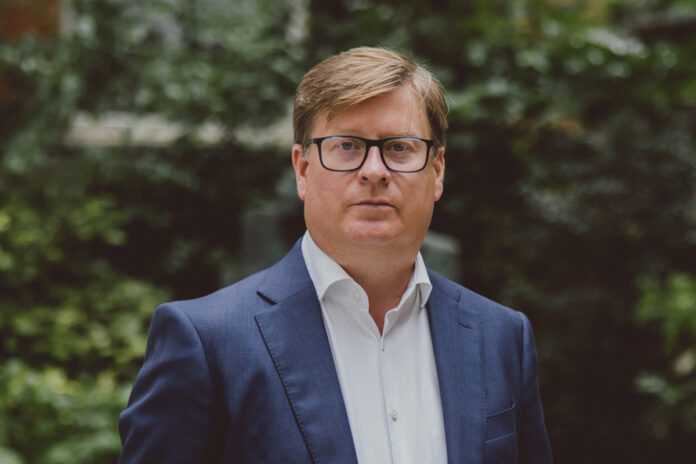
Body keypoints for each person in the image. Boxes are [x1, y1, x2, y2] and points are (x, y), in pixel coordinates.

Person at [118, 47, 553, 464]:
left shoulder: (501, 338)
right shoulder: (207, 343)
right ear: (303, 169)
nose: (374, 171)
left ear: (436, 170)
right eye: (346, 146)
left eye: (399, 147)